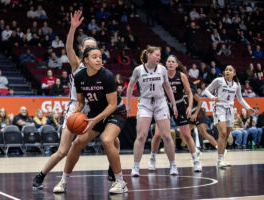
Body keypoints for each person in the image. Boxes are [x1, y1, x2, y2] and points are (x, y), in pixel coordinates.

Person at [32, 10, 118, 190]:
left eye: (93, 48)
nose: (91, 51)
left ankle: (113, 169)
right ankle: (41, 175)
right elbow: (68, 48)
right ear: (82, 51)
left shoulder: (100, 69)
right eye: (87, 48)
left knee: (113, 140)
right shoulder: (76, 64)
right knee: (63, 150)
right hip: (76, 108)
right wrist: (72, 28)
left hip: (95, 108)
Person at [53, 47, 128, 194]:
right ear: (85, 60)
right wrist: (72, 115)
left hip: (116, 112)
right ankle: (64, 180)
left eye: (100, 57)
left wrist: (94, 120)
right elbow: (80, 103)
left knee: (106, 140)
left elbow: (112, 104)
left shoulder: (106, 76)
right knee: (77, 144)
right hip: (96, 113)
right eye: (94, 57)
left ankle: (120, 181)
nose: (99, 59)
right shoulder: (80, 77)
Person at [126, 46, 179, 176]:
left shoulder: (162, 69)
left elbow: (167, 87)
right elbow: (130, 87)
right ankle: (136, 167)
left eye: (160, 56)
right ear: (149, 55)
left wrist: (173, 104)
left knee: (166, 135)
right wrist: (128, 105)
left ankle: (172, 165)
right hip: (145, 102)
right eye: (157, 55)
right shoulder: (138, 70)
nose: (159, 58)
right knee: (141, 135)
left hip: (160, 102)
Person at [149, 55, 202, 173]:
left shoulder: (181, 76)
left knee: (187, 135)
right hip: (164, 105)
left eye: (173, 61)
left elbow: (189, 92)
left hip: (179, 104)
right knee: (158, 135)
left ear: (177, 64)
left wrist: (189, 106)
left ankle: (196, 161)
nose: (171, 63)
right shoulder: (161, 75)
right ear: (166, 64)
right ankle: (152, 158)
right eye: (169, 61)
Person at [203, 65, 255, 168]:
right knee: (222, 133)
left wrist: (248, 108)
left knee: (226, 136)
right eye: (226, 70)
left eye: (230, 70)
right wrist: (213, 97)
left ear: (234, 73)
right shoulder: (218, 80)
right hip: (219, 108)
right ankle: (219, 160)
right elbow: (206, 91)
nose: (227, 71)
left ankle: (222, 158)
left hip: (230, 110)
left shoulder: (237, 85)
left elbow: (240, 99)